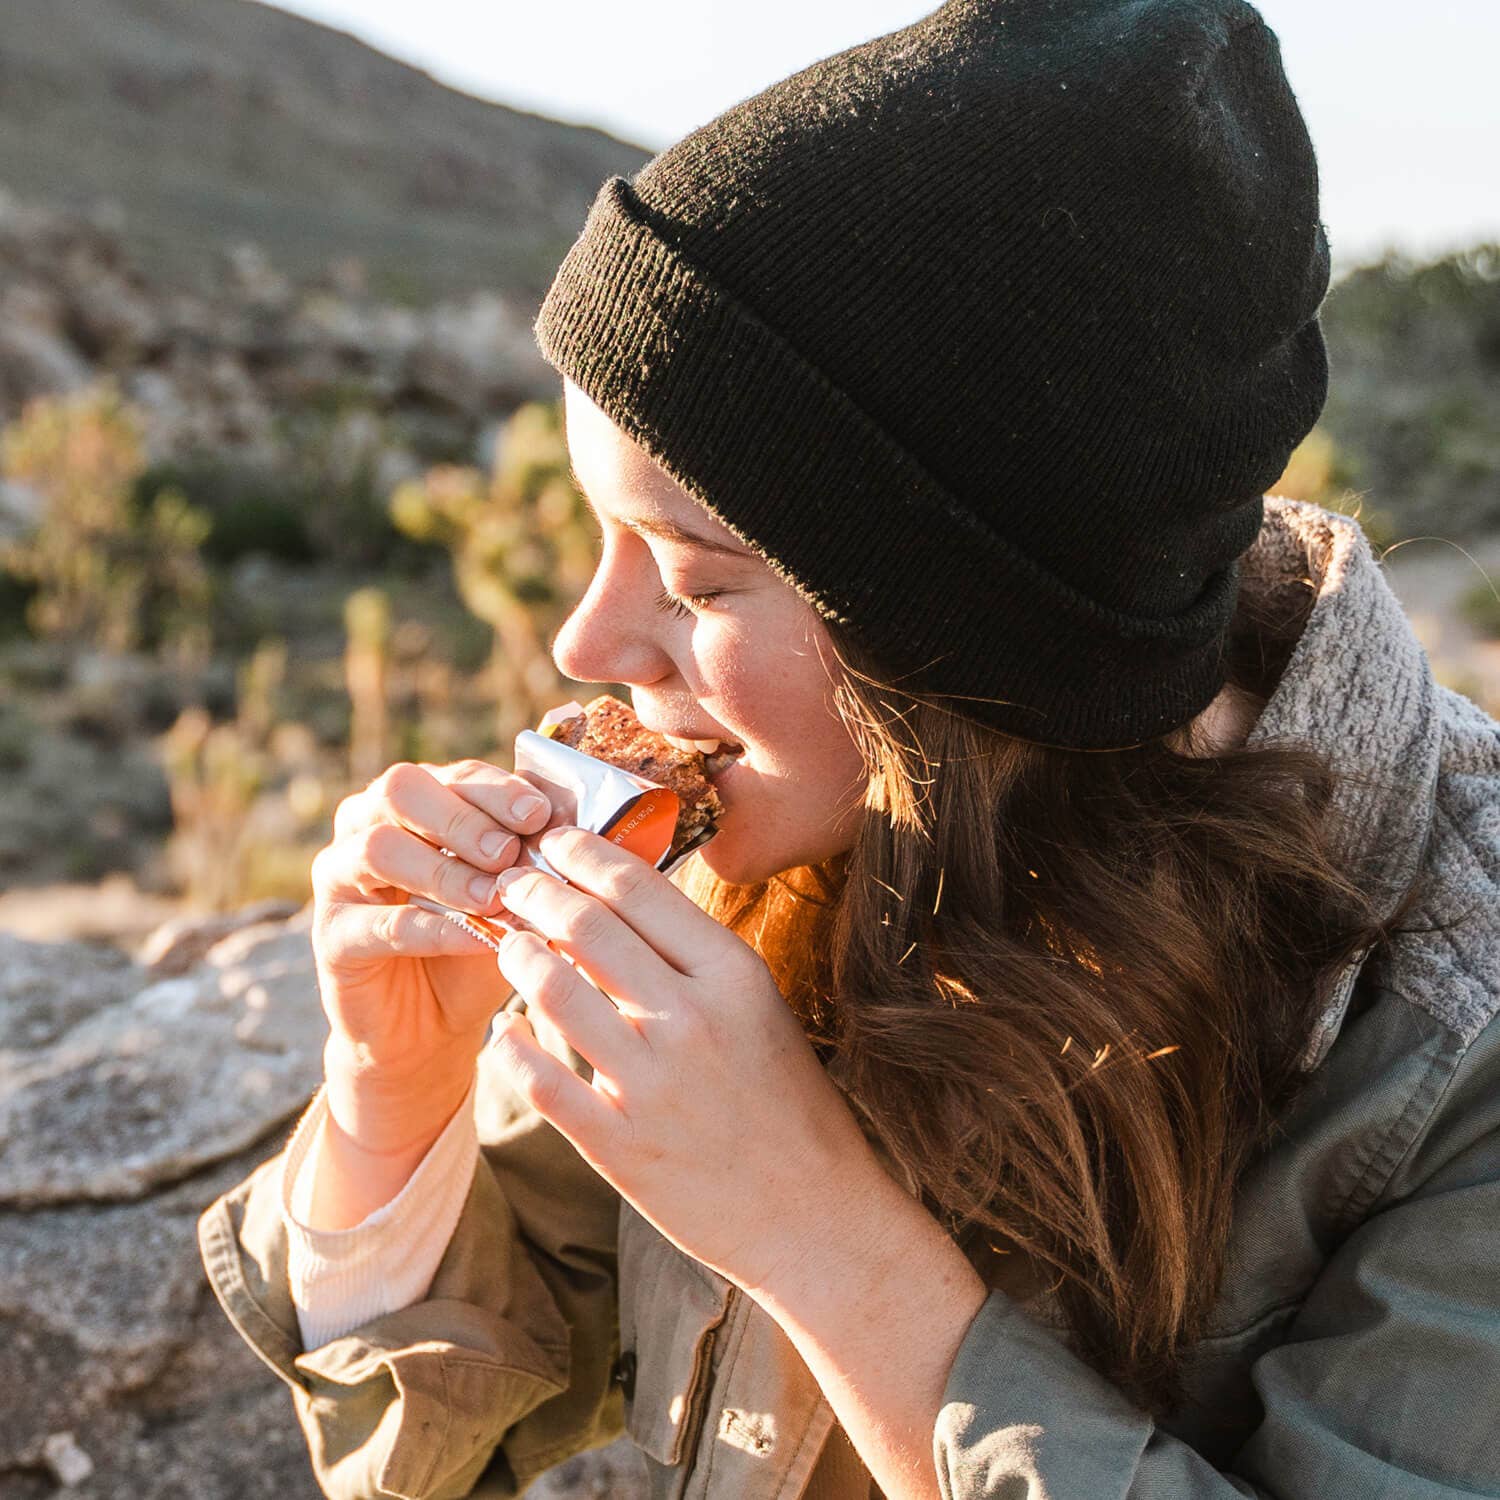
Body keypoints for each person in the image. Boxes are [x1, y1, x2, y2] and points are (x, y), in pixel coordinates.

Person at [197, 1, 1500, 1496]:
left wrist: (817, 1232)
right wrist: (392, 1092)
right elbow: (432, 1446)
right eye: (594, 539)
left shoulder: (1458, 1041)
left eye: (694, 580)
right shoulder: (784, 836)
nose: (583, 648)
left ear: (958, 638)